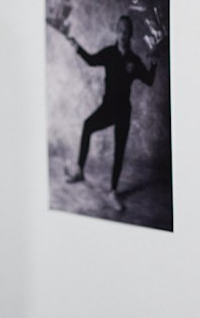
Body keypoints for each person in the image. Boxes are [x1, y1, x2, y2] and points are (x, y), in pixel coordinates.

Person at [64, 13, 161, 212]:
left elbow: (149, 80)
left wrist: (154, 61)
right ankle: (79, 170)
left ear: (131, 34)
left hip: (123, 111)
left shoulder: (134, 61)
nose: (123, 34)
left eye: (127, 31)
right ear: (116, 32)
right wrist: (76, 47)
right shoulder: (109, 53)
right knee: (87, 125)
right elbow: (91, 60)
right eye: (120, 30)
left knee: (119, 151)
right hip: (107, 108)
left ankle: (113, 191)